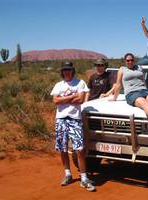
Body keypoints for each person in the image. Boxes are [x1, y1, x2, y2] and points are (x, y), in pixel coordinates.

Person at [50, 61, 95, 192]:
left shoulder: (80, 83)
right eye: (64, 70)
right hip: (61, 119)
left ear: (72, 70)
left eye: (69, 69)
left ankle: (84, 178)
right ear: (62, 71)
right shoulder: (58, 85)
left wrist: (63, 99)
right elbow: (55, 101)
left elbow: (80, 99)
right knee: (62, 148)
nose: (67, 72)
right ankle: (68, 174)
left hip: (75, 120)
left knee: (79, 149)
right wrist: (72, 96)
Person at [111, 53, 148, 123]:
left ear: (134, 61)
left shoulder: (139, 68)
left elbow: (143, 81)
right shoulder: (122, 69)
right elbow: (118, 84)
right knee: (143, 102)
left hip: (144, 91)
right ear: (125, 61)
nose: (130, 62)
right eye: (128, 60)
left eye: (132, 60)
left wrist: (146, 90)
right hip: (132, 93)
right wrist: (114, 98)